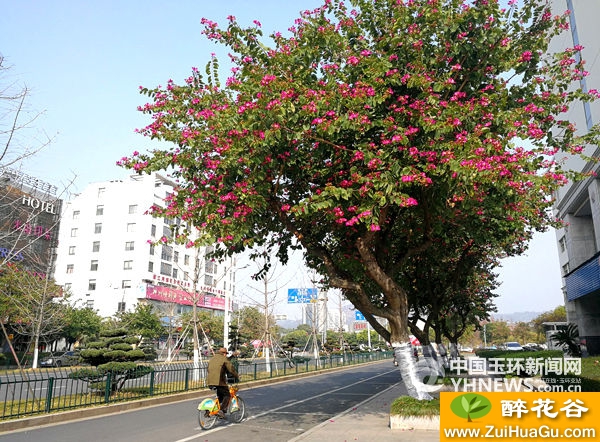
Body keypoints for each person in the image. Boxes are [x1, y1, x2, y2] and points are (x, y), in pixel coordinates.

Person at [207, 347, 239, 418]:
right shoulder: (224, 359)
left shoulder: (213, 358)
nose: (226, 355)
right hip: (219, 381)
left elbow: (208, 369)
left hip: (210, 381)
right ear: (224, 353)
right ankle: (221, 411)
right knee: (227, 395)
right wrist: (237, 376)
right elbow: (231, 369)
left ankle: (210, 410)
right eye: (226, 353)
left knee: (220, 395)